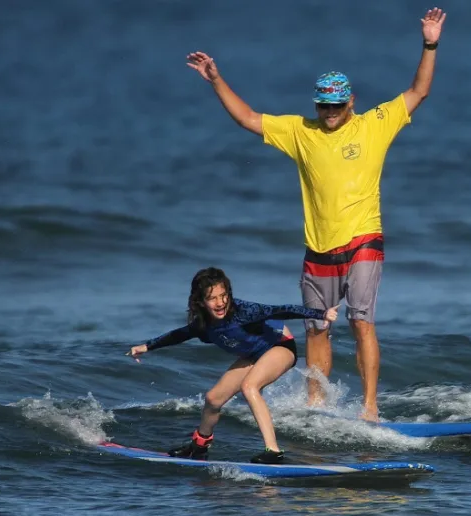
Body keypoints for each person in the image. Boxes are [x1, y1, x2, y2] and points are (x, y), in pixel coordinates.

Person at [183, 8, 447, 421]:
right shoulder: (300, 131)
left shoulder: (376, 123)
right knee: (316, 329)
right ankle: (316, 406)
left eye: (337, 106)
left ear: (351, 102)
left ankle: (370, 408)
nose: (330, 113)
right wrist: (217, 80)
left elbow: (419, 91)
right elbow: (248, 119)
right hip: (318, 251)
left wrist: (429, 44)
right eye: (324, 106)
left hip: (363, 241)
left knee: (361, 323)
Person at [127, 267, 339, 464]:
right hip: (254, 354)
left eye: (223, 296)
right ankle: (199, 447)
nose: (220, 303)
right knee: (213, 398)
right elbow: (179, 335)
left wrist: (321, 314)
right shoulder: (203, 324)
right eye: (212, 298)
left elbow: (281, 310)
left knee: (250, 386)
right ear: (200, 301)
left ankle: (273, 451)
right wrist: (147, 346)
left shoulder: (243, 311)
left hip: (280, 346)